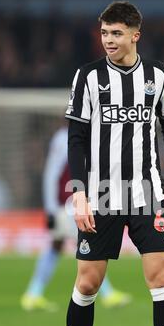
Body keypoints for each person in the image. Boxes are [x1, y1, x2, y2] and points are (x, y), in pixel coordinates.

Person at [51, 1, 164, 326]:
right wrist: (78, 193)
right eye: (104, 33)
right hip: (102, 193)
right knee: (87, 283)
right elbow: (75, 138)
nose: (108, 40)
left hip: (148, 191)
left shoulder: (158, 75)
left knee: (161, 279)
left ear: (135, 35)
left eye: (116, 33)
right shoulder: (88, 77)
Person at [21, 125, 132, 311]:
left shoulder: (90, 135)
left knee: (57, 245)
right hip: (67, 203)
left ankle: (33, 293)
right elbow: (52, 172)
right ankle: (108, 293)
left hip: (73, 201)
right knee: (88, 243)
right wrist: (50, 208)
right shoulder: (63, 137)